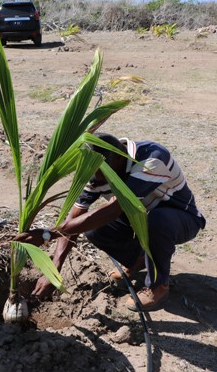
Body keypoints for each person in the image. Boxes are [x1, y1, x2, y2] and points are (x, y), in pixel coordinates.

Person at [16, 133, 206, 312]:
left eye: (98, 174)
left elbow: (114, 210)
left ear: (117, 161)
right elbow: (74, 218)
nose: (94, 180)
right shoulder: (97, 170)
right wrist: (54, 269)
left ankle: (158, 286)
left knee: (156, 219)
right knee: (93, 229)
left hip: (180, 219)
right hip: (139, 217)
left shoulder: (152, 158)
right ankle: (138, 259)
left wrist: (48, 234)